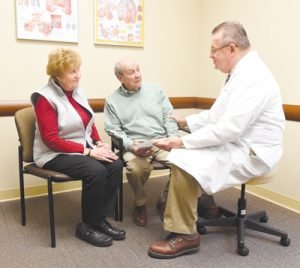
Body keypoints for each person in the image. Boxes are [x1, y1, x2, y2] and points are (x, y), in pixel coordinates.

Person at [148, 21, 285, 259]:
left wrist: (180, 142)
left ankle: (186, 235)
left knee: (183, 160)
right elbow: (216, 116)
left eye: (214, 50)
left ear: (231, 48)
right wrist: (185, 123)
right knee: (186, 156)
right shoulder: (238, 73)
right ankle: (194, 207)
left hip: (253, 153)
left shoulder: (253, 78)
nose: (211, 57)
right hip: (238, 144)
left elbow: (229, 129)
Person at [104, 59, 220, 227]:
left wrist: (172, 139)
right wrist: (131, 146)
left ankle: (165, 198)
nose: (137, 75)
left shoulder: (156, 90)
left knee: (187, 163)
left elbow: (169, 117)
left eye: (138, 69)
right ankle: (140, 205)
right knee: (136, 169)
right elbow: (114, 130)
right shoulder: (112, 100)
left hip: (161, 141)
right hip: (135, 143)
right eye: (131, 72)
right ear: (119, 77)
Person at [31, 48, 125, 247]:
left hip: (81, 149)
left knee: (115, 164)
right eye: (72, 71)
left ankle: (100, 219)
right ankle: (87, 226)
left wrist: (98, 142)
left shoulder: (78, 91)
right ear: (57, 74)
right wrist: (89, 152)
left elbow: (87, 123)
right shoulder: (44, 98)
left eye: (78, 69)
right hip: (53, 153)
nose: (78, 75)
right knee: (96, 170)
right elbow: (51, 140)